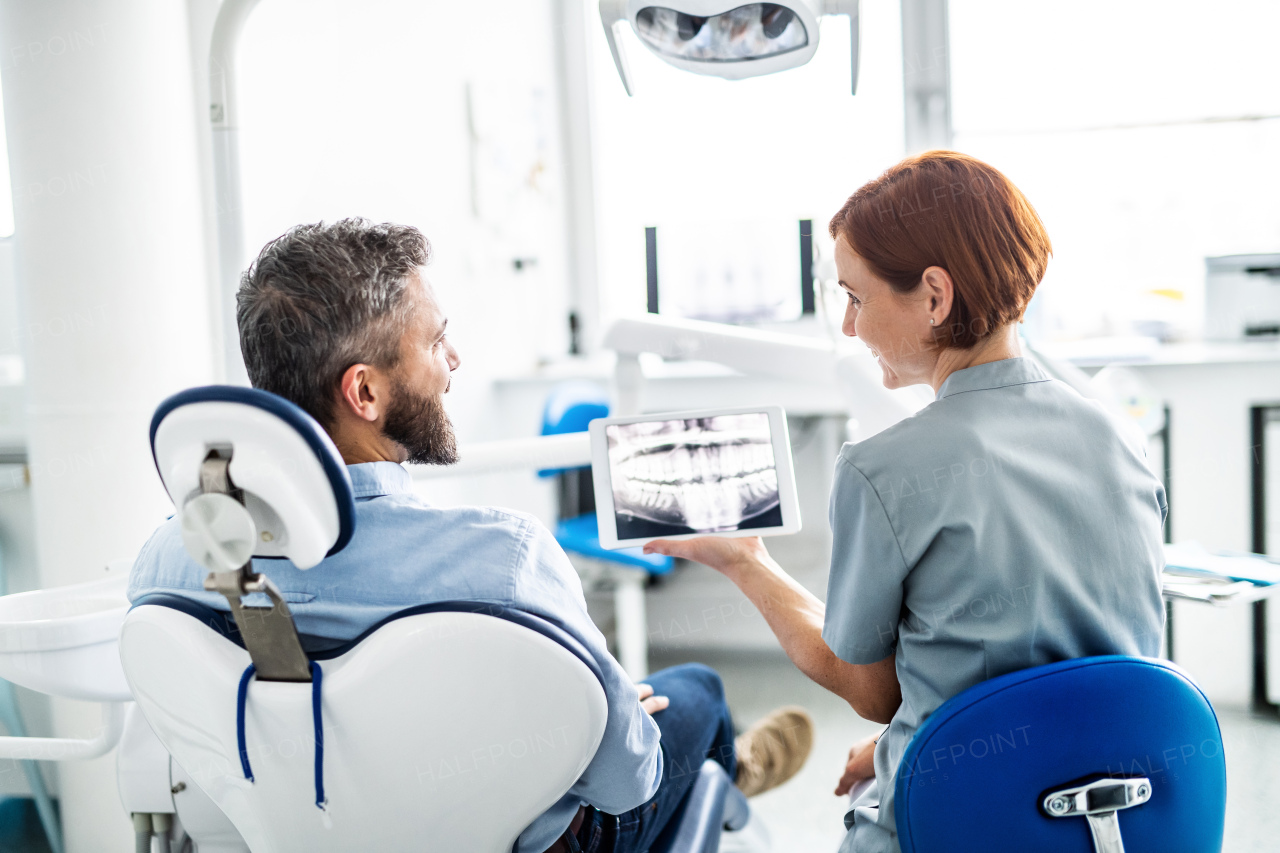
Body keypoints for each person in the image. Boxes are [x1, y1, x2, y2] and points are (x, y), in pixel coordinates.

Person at [128, 219, 814, 853]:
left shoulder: (169, 564)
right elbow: (624, 781)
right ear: (363, 393)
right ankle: (733, 773)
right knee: (695, 693)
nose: (453, 358)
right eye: (434, 340)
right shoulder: (505, 561)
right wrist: (609, 715)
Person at [645, 151, 1167, 853]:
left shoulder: (882, 469)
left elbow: (871, 691)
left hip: (963, 823)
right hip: (1112, 819)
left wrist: (747, 562)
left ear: (934, 296)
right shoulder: (1120, 438)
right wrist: (912, 743)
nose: (849, 329)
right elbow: (1059, 670)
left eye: (856, 298)